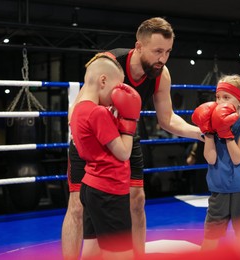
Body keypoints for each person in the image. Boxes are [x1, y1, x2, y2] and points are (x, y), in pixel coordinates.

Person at [61, 17, 202, 259]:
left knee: (137, 199)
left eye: (167, 52)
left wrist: (200, 133)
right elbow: (77, 111)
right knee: (77, 205)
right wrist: (104, 120)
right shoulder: (108, 63)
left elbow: (167, 119)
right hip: (94, 138)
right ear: (138, 46)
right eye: (157, 51)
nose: (163, 58)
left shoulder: (161, 74)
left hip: (126, 135)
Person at [70, 52, 141, 259]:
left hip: (92, 187)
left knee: (92, 254)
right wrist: (129, 121)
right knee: (122, 255)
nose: (116, 95)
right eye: (116, 87)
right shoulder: (97, 113)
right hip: (109, 191)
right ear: (103, 80)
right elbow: (123, 152)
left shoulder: (78, 111)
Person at [191, 74, 240, 250]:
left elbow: (237, 158)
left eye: (226, 97)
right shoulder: (211, 124)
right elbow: (210, 158)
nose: (220, 101)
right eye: (218, 97)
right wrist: (209, 132)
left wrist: (226, 132)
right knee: (210, 239)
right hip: (218, 189)